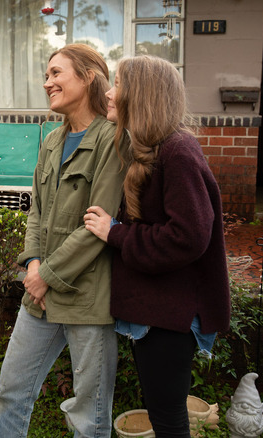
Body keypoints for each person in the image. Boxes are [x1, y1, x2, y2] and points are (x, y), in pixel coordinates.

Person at [83, 54, 231, 437]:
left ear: (142, 94)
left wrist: (115, 233)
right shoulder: (153, 147)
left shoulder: (177, 152)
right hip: (158, 313)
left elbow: (188, 236)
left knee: (168, 422)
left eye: (117, 84)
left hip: (171, 318)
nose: (110, 93)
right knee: (164, 415)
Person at [0, 43, 130, 437]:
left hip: (87, 299)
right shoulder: (52, 140)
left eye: (56, 73)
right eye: (46, 75)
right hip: (39, 296)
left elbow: (99, 226)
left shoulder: (114, 140)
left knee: (90, 414)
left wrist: (46, 274)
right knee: (10, 393)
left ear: (88, 77)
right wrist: (34, 266)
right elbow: (36, 211)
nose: (47, 82)